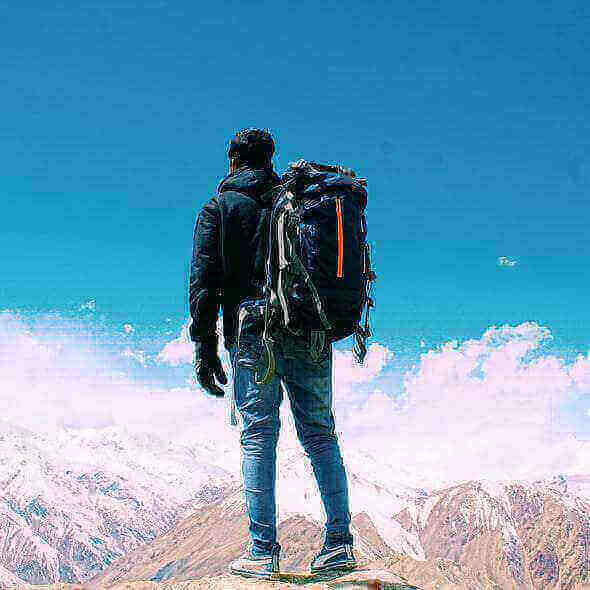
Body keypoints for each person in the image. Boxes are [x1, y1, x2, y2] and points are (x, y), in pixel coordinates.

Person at [188, 128, 356, 580]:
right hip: (309, 330)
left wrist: (204, 346)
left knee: (259, 435)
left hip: (254, 333)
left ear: (233, 160)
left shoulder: (221, 208)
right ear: (270, 159)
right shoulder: (300, 202)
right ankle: (340, 543)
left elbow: (205, 283)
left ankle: (263, 552)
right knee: (320, 432)